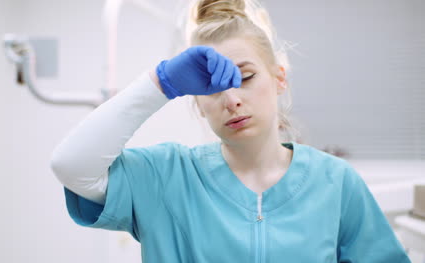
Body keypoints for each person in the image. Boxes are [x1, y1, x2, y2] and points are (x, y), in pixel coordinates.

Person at [50, 0, 411, 262]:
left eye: (246, 77)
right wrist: (159, 83)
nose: (232, 99)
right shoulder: (166, 177)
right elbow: (71, 165)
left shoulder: (336, 183)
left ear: (279, 78)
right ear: (196, 102)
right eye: (211, 88)